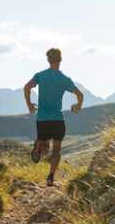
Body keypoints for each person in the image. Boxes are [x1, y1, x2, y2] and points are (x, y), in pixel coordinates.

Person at [23, 47, 84, 186]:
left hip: (43, 118)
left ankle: (40, 144)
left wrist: (29, 105)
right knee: (56, 151)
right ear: (61, 59)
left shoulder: (40, 75)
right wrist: (77, 106)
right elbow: (80, 94)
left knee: (45, 150)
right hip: (58, 118)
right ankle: (51, 178)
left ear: (48, 60)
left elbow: (27, 87)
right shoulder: (65, 79)